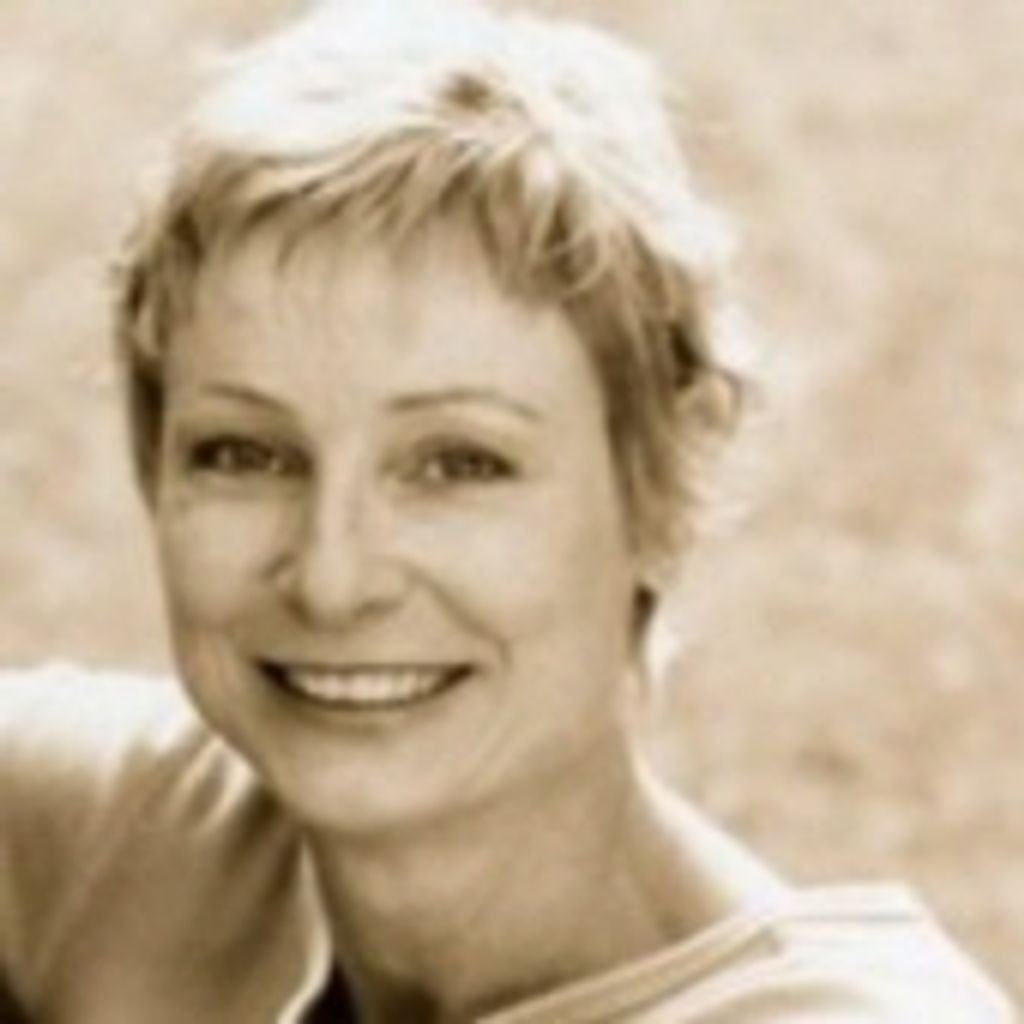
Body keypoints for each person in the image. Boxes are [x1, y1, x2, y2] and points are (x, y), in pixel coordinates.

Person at [0, 2, 1014, 1021]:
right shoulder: (133, 840)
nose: (332, 578)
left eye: (456, 464)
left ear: (663, 480)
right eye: (245, 455)